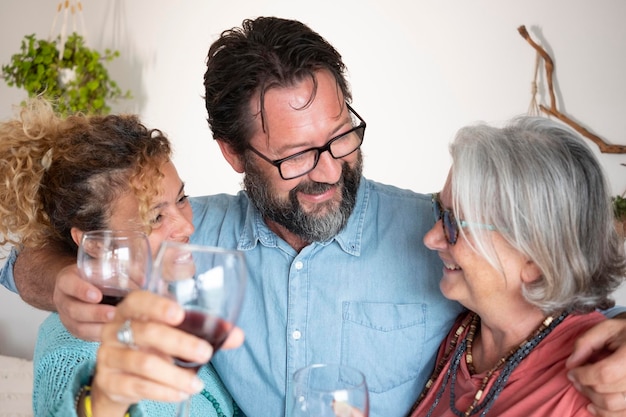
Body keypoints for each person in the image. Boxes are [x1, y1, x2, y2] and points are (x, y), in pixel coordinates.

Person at [2, 17, 626, 417]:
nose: (328, 168)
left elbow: (561, 296)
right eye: (297, 154)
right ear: (234, 154)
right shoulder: (193, 237)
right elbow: (19, 262)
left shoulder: (433, 238)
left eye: (341, 136)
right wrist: (61, 276)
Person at [0, 98, 241, 416]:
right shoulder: (71, 351)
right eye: (155, 218)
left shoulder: (173, 307)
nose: (186, 224)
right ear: (96, 244)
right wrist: (100, 403)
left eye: (181, 198)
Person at [409, 116, 626, 416]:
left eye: (456, 223)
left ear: (537, 257)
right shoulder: (462, 335)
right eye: (441, 211)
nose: (431, 238)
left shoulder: (598, 382)